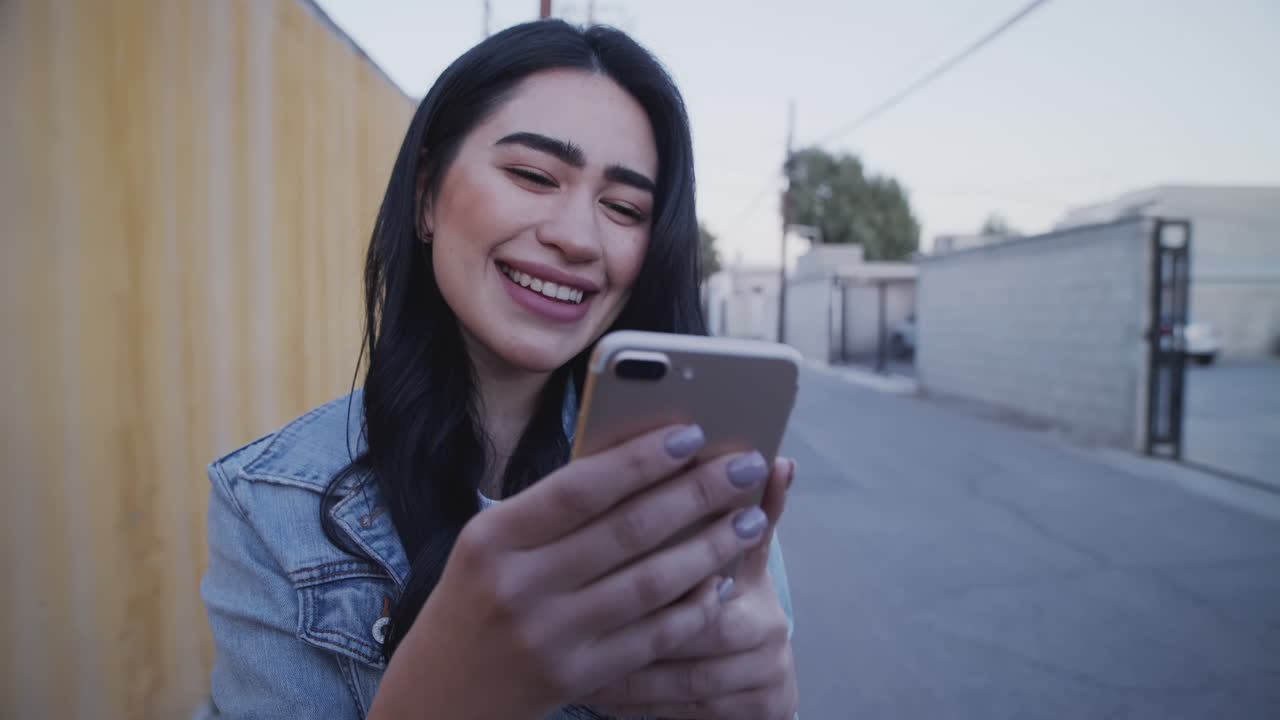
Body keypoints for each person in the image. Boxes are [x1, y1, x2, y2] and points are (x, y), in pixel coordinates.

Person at [201, 19, 798, 720]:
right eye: (533, 175)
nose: (577, 237)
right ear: (426, 195)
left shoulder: (695, 482)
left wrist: (772, 706)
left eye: (624, 207)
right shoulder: (270, 504)